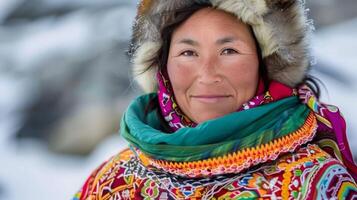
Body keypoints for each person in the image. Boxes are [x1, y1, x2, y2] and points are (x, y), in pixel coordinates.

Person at [74, 1, 357, 199]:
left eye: (229, 51)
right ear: (162, 68)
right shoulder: (113, 181)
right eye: (188, 53)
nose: (207, 74)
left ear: (265, 64)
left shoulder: (313, 183)